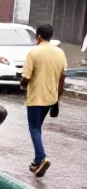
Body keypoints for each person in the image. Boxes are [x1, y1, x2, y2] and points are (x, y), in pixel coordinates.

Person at [21, 22, 66, 178]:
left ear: (38, 36)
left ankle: (41, 158)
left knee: (33, 127)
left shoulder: (34, 53)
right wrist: (57, 98)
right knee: (37, 128)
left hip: (35, 98)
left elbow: (25, 78)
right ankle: (36, 161)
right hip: (50, 98)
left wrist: (21, 84)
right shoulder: (60, 53)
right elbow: (62, 78)